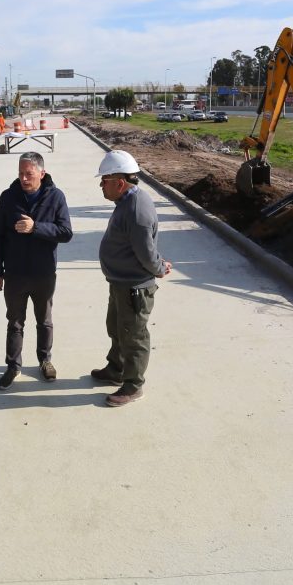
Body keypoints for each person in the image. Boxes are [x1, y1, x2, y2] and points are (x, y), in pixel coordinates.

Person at [92, 149, 172, 407]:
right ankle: (116, 369)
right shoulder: (125, 201)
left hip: (134, 287)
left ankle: (133, 385)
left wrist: (159, 268)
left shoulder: (136, 209)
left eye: (104, 180)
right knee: (116, 328)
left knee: (134, 336)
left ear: (120, 183)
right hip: (120, 283)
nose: (101, 185)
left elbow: (147, 253)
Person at [0, 151, 73, 389]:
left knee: (44, 321)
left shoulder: (56, 197)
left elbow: (65, 233)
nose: (24, 179)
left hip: (43, 272)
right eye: (21, 173)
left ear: (42, 173)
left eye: (29, 174)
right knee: (14, 322)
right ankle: (13, 366)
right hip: (15, 273)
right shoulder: (8, 197)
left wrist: (36, 228)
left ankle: (45, 360)